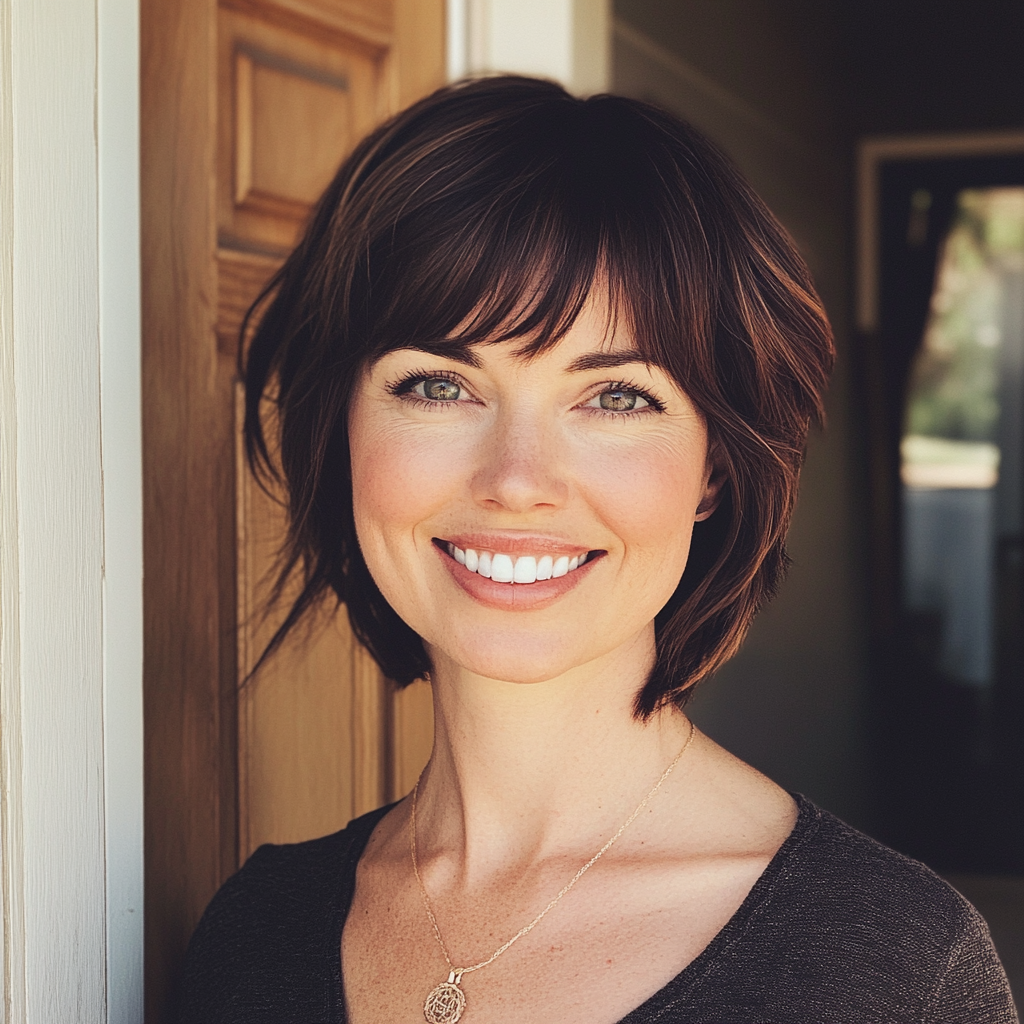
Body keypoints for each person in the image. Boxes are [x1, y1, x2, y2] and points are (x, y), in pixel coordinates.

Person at [177, 76, 1018, 1024]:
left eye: (617, 397)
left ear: (714, 470)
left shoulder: (898, 972)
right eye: (438, 385)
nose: (516, 477)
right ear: (343, 429)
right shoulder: (252, 936)